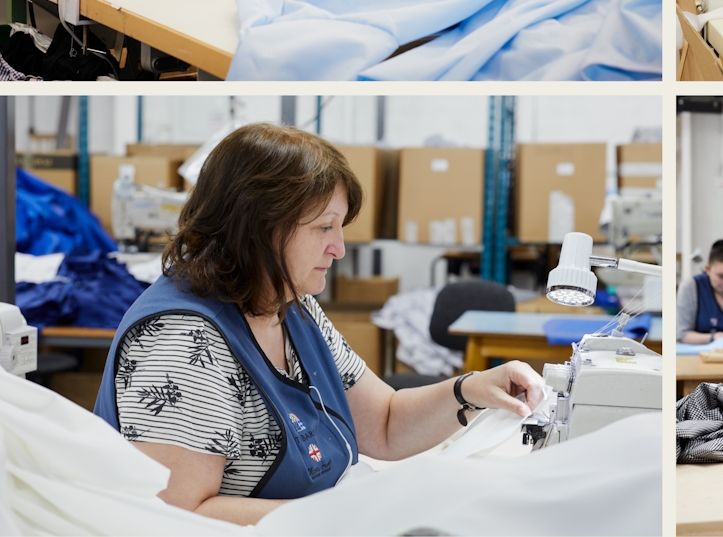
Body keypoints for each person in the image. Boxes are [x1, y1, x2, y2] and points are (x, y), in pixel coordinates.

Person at [93, 123, 544, 525]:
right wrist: (348, 516)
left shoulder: (289, 306)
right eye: (324, 228)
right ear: (259, 227)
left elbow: (384, 424)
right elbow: (177, 516)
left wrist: (471, 390)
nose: (339, 249)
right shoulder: (183, 341)